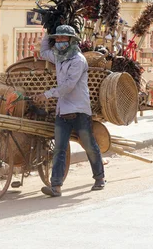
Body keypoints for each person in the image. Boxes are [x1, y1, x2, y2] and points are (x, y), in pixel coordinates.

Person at [34, 25, 105, 197]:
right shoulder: (58, 57)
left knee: (89, 145)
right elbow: (44, 51)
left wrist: (47, 94)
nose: (59, 42)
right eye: (57, 39)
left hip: (80, 111)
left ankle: (99, 177)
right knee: (59, 148)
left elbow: (68, 86)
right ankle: (56, 186)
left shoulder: (78, 61)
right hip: (63, 111)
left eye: (62, 39)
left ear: (71, 41)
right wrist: (47, 28)